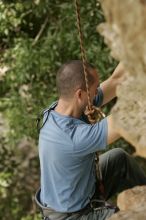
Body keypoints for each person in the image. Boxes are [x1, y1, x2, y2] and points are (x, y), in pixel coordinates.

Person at [35, 60, 146, 220]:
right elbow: (129, 116)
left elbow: (116, 80)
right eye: (94, 90)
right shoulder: (73, 139)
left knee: (119, 159)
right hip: (74, 216)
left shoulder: (54, 111)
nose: (97, 93)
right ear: (80, 94)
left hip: (80, 191)